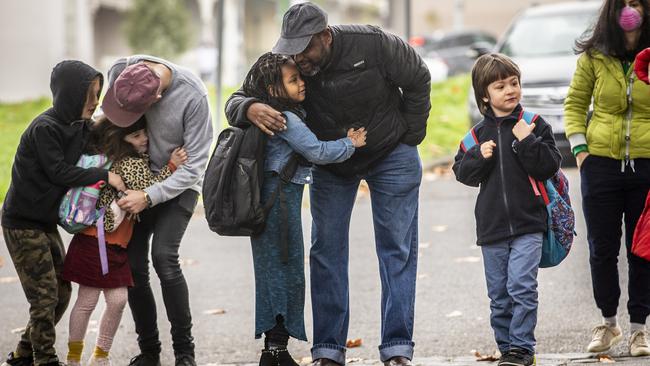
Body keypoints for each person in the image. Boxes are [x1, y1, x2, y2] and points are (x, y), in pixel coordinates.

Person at [226, 3, 431, 366]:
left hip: (390, 153)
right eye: (291, 47)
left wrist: (410, 137)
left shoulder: (373, 43)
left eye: (305, 47)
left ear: (325, 35)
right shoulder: (282, 60)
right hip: (332, 164)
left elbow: (417, 78)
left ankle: (398, 348)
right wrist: (248, 109)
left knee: (397, 249)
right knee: (326, 253)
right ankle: (328, 351)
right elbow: (238, 98)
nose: (298, 57)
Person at [241, 52, 367, 366]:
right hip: (279, 204)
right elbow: (317, 151)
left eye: (300, 77)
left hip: (275, 202)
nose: (302, 84)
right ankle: (275, 352)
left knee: (276, 273)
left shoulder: (278, 111)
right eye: (293, 80)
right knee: (287, 273)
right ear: (273, 89)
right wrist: (350, 143)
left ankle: (274, 351)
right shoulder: (286, 118)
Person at [1, 60, 126, 366]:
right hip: (22, 222)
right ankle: (45, 358)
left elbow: (107, 137)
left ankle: (23, 353)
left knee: (61, 292)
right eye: (90, 96)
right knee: (43, 297)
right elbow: (59, 172)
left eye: (98, 94)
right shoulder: (45, 128)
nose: (95, 102)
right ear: (70, 95)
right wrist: (104, 175)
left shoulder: (80, 126)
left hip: (45, 223)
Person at [101, 55, 213, 366]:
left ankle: (184, 353)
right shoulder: (122, 72)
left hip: (178, 184)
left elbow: (194, 168)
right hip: (138, 178)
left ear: (158, 97)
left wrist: (148, 197)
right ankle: (149, 353)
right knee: (133, 264)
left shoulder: (193, 96)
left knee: (164, 257)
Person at [453, 53, 562, 366]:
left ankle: (522, 349)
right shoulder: (475, 136)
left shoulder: (534, 125)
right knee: (499, 295)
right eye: (500, 86)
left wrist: (527, 141)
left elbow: (549, 166)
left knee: (521, 287)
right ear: (485, 95)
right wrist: (478, 156)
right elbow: (463, 174)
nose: (510, 90)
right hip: (492, 228)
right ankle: (507, 350)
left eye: (514, 83)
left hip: (529, 223)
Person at [62, 115, 188, 366]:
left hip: (116, 245)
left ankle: (100, 355)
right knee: (87, 301)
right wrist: (172, 166)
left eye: (144, 132)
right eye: (136, 135)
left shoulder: (132, 160)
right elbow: (149, 189)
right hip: (95, 242)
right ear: (122, 139)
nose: (144, 139)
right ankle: (74, 358)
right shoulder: (128, 163)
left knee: (118, 300)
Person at [564, 0, 650, 357]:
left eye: (637, 2)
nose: (630, 9)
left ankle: (639, 329)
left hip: (646, 164)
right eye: (623, 3)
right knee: (602, 249)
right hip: (600, 165)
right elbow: (574, 104)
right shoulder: (594, 56)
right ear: (612, 11)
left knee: (642, 250)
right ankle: (609, 322)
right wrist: (581, 151)